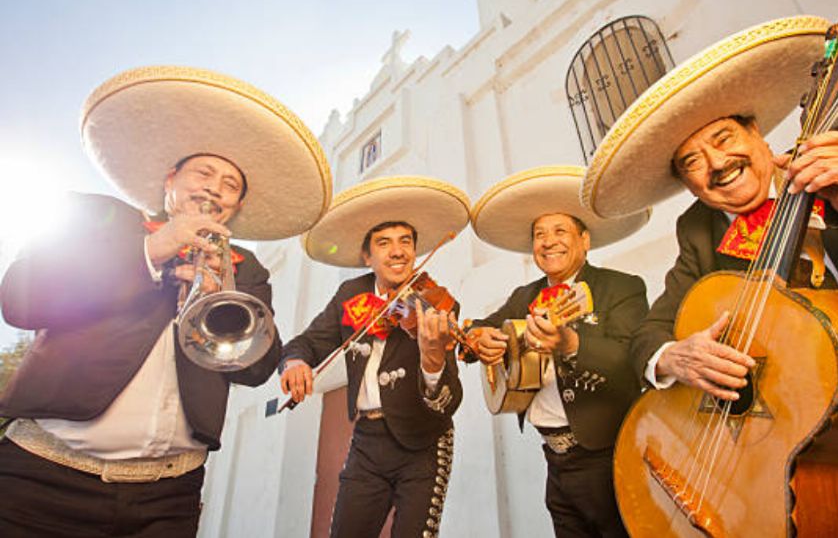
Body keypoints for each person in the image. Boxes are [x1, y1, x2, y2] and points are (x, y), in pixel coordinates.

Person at [583, 15, 838, 537]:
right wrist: (673, 356)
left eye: (723, 136)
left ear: (756, 131)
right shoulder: (700, 230)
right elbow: (650, 333)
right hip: (810, 462)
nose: (717, 162)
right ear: (687, 184)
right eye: (693, 160)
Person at [0, 65, 332, 537]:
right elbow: (20, 299)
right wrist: (152, 252)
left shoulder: (247, 268)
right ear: (170, 181)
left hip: (169, 497)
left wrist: (224, 292)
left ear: (236, 209)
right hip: (44, 480)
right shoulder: (99, 216)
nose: (215, 187)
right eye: (203, 173)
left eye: (230, 185)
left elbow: (258, 370)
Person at [279, 176, 469, 538]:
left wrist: (433, 360)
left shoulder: (436, 303)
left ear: (414, 250)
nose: (397, 251)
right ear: (367, 255)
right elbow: (305, 342)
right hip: (367, 441)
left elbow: (450, 397)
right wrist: (295, 362)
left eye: (406, 242)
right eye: (384, 243)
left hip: (423, 442)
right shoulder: (350, 295)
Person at [467, 166, 649, 537]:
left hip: (610, 455)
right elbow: (474, 329)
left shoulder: (622, 287)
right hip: (553, 459)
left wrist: (571, 344)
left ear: (585, 240)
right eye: (539, 235)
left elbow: (631, 361)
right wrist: (477, 339)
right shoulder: (523, 297)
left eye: (560, 231)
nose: (548, 242)